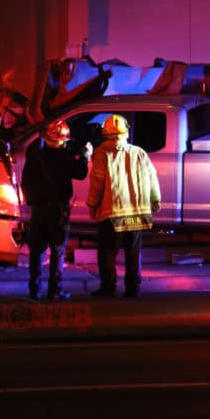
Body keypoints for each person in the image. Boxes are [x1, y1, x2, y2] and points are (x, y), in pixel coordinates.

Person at [86, 114, 162, 298]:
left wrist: (92, 203)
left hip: (112, 212)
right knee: (133, 251)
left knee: (108, 252)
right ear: (126, 131)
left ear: (105, 133)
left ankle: (109, 287)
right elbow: (153, 177)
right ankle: (132, 288)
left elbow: (97, 182)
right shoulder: (139, 152)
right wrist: (155, 199)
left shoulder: (102, 153)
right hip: (137, 211)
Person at [21, 120, 91, 300]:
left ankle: (34, 291)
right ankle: (55, 290)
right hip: (59, 210)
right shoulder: (65, 157)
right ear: (63, 139)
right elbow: (81, 173)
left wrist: (34, 202)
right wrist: (85, 156)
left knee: (36, 252)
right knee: (58, 250)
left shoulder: (36, 157)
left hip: (38, 210)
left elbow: (25, 183)